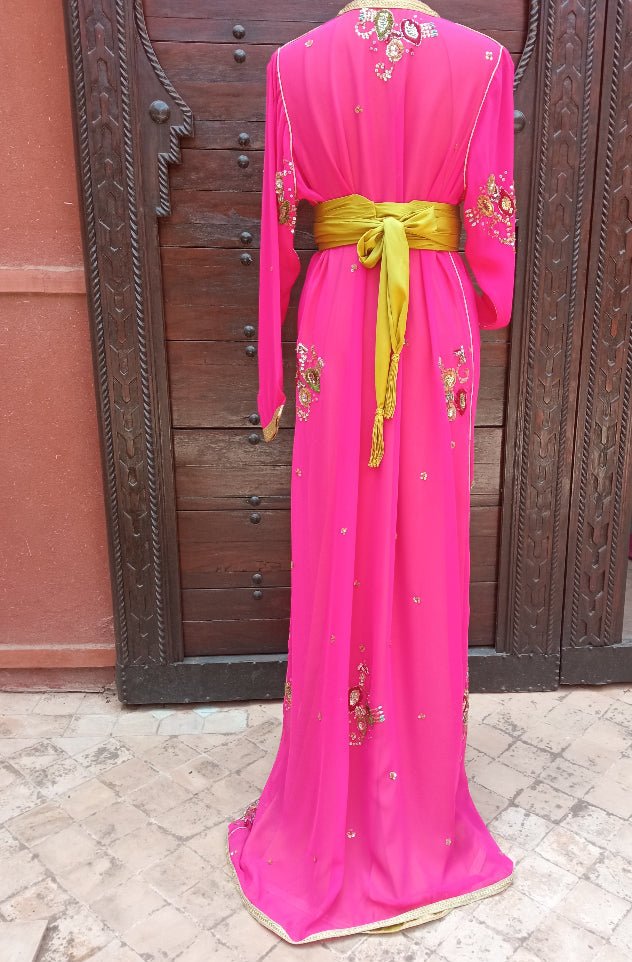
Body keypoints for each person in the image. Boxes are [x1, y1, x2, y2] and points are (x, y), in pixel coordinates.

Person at [226, 0, 517, 944]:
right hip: (431, 312)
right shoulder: (481, 61)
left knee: (344, 544)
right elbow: (493, 232)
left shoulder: (294, 64)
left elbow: (277, 227)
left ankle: (338, 813)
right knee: (422, 550)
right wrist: (476, 289)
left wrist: (275, 358)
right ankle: (419, 819)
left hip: (341, 307)